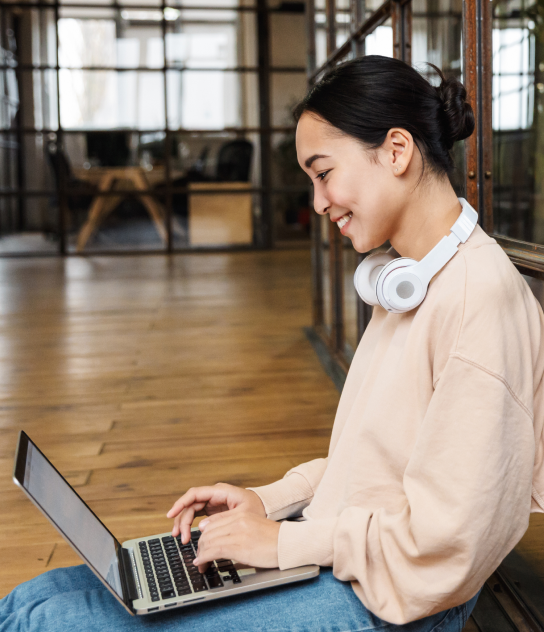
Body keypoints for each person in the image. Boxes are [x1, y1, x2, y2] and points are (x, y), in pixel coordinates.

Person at [3, 55, 544, 632]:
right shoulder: (409, 279)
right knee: (34, 598)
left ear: (396, 151)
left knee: (48, 623)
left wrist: (283, 544)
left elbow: (447, 544)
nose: (316, 203)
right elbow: (378, 463)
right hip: (349, 554)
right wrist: (270, 501)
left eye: (323, 172)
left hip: (393, 600)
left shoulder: (477, 300)